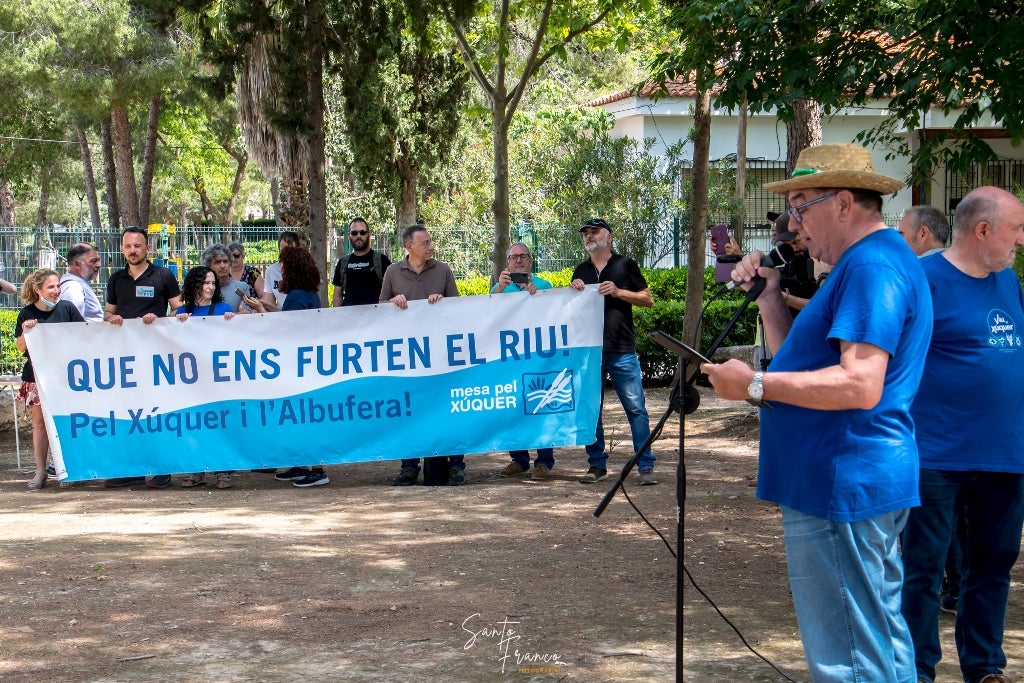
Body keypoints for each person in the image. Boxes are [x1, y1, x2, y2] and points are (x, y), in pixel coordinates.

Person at [701, 143, 931, 682]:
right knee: (879, 635)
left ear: (844, 203)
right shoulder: (864, 264)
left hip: (841, 479)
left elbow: (859, 383)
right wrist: (770, 297)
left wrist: (754, 384)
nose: (793, 222)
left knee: (847, 653)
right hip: (847, 477)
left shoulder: (872, 266)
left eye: (803, 204)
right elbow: (800, 365)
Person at [900, 186, 1024, 683]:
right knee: (924, 569)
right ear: (983, 230)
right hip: (935, 453)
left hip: (1005, 453)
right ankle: (916, 668)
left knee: (993, 566)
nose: (1020, 240)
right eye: (1015, 230)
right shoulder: (923, 278)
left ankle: (984, 665)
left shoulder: (1008, 280)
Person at [569, 218, 657, 487]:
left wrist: (619, 292)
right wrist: (573, 292)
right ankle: (597, 465)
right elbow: (571, 310)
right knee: (591, 410)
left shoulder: (625, 264)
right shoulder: (580, 270)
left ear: (609, 237)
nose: (589, 236)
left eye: (595, 231)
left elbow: (648, 299)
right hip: (590, 352)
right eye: (585, 233)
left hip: (621, 350)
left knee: (636, 408)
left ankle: (645, 466)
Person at [380, 224, 465, 487]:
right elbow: (379, 306)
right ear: (409, 247)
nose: (431, 247)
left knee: (448, 409)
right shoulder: (393, 272)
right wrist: (392, 303)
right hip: (407, 357)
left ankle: (456, 465)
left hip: (440, 354)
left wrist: (444, 302)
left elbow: (460, 308)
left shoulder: (443, 270)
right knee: (409, 410)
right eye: (425, 243)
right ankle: (409, 466)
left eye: (430, 242)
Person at [104, 225, 183, 488]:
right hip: (126, 358)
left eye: (137, 246)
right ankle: (132, 470)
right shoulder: (116, 279)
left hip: (157, 358)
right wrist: (112, 319)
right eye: (128, 246)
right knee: (129, 413)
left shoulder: (163, 275)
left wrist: (160, 320)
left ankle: (162, 470)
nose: (132, 250)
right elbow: (108, 314)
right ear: (122, 249)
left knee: (158, 411)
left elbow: (179, 311)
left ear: (147, 248)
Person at [14, 269, 85, 490]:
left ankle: (68, 468)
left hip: (65, 376)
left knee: (67, 421)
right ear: (38, 290)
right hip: (36, 377)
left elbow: (86, 336)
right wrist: (27, 332)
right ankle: (41, 471)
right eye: (51, 287)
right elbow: (20, 348)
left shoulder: (67, 308)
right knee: (40, 424)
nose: (56, 291)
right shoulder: (26, 313)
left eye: (58, 286)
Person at [269, 247, 331, 488]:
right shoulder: (307, 294)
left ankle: (317, 469)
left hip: (299, 367)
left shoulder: (296, 296)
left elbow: (289, 330)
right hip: (307, 364)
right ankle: (302, 464)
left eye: (284, 265)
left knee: (305, 417)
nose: (280, 269)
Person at [492, 242, 555, 480]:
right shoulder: (499, 288)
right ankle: (519, 459)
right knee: (512, 407)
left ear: (530, 261)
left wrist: (536, 296)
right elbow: (485, 315)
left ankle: (544, 461)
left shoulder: (544, 285)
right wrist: (499, 288)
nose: (519, 260)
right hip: (509, 358)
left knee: (540, 406)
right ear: (507, 262)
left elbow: (554, 315)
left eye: (523, 256)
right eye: (514, 257)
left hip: (538, 358)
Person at [175, 266, 236, 489]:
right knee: (195, 425)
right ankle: (197, 470)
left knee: (218, 425)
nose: (210, 287)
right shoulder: (182, 312)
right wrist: (177, 322)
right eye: (205, 283)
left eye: (213, 283)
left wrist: (232, 320)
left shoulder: (223, 308)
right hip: (192, 382)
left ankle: (222, 471)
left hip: (217, 380)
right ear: (195, 285)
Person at [331, 217, 392, 307]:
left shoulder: (382, 260)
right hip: (349, 318)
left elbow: (392, 290)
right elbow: (337, 295)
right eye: (354, 233)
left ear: (369, 234)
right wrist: (338, 316)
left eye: (362, 232)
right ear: (349, 236)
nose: (358, 236)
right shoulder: (343, 263)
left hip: (376, 317)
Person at [59, 243, 104, 322]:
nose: (99, 264)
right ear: (77, 264)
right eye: (93, 261)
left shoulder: (78, 284)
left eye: (98, 260)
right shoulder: (73, 287)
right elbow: (73, 324)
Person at [202, 244, 249, 312]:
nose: (223, 266)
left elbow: (247, 312)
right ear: (208, 266)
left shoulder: (240, 288)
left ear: (230, 263)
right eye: (217, 262)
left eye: (225, 261)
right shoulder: (202, 288)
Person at [263, 231, 300, 311]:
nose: (286, 254)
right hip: (281, 317)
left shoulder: (306, 269)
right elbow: (269, 302)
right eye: (283, 250)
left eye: (290, 250)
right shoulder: (271, 271)